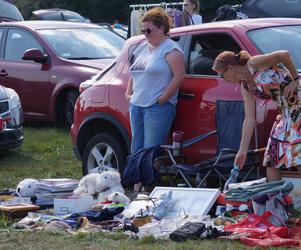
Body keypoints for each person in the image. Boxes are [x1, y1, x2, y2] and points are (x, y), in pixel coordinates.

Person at [212, 50, 301, 182]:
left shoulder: (253, 63)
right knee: (272, 158)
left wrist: (295, 78)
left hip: (298, 104)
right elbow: (249, 120)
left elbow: (284, 55)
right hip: (285, 114)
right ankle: (274, 199)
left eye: (222, 76)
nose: (224, 80)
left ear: (230, 68)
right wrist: (242, 151)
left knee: (297, 156)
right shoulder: (246, 87)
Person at [125, 7, 185, 191]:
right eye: (143, 31)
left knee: (152, 149)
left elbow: (179, 75)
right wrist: (129, 93)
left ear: (161, 27)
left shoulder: (171, 49)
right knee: (137, 147)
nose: (145, 34)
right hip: (137, 104)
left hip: (157, 107)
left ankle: (147, 186)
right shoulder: (143, 47)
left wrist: (164, 97)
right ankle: (137, 185)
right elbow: (135, 72)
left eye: (149, 30)